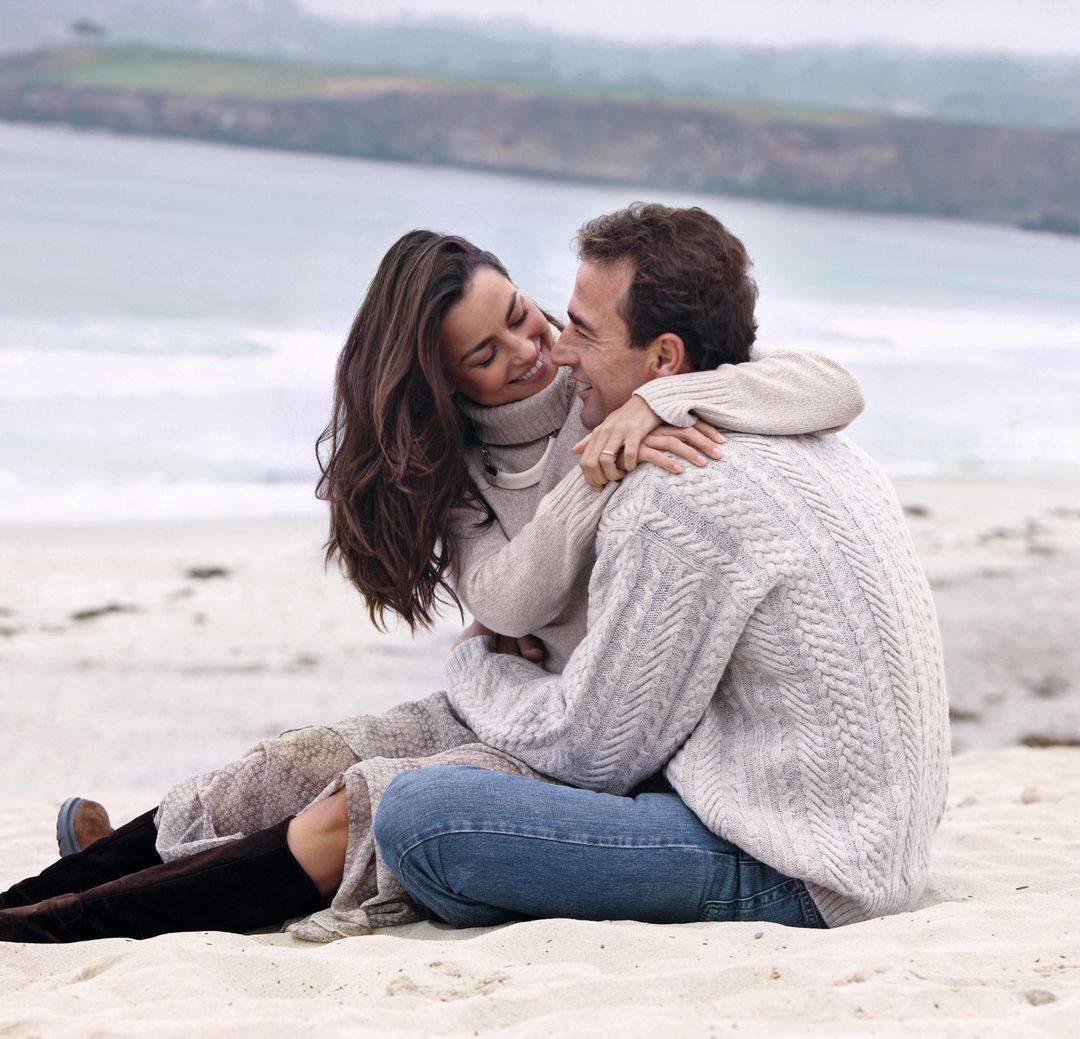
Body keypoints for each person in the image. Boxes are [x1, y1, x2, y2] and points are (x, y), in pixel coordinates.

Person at [0, 215, 866, 942]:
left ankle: (68, 926)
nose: (532, 351)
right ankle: (69, 882)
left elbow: (825, 382)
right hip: (535, 691)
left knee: (358, 804)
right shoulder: (461, 468)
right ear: (447, 384)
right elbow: (507, 598)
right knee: (292, 764)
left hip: (600, 718)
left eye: (523, 316)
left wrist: (657, 405)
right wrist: (591, 483)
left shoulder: (609, 378)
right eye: (485, 355)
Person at [372, 203, 950, 930]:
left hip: (794, 868)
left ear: (665, 360)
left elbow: (589, 753)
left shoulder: (676, 491)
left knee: (422, 818)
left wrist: (476, 664)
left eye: (583, 329)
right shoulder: (810, 438)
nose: (557, 350)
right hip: (878, 844)